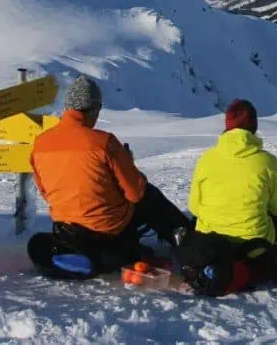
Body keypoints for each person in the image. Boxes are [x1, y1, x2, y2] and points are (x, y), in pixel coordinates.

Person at [28, 74, 190, 278]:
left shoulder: (40, 144)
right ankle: (185, 240)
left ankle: (83, 256)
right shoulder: (104, 143)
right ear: (93, 109)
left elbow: (45, 192)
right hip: (106, 228)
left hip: (66, 227)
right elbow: (135, 193)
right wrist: (129, 166)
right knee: (150, 196)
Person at [175, 99, 277, 296]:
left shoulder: (206, 159)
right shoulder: (267, 162)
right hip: (253, 249)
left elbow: (195, 207)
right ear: (254, 126)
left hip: (211, 246)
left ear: (227, 127)